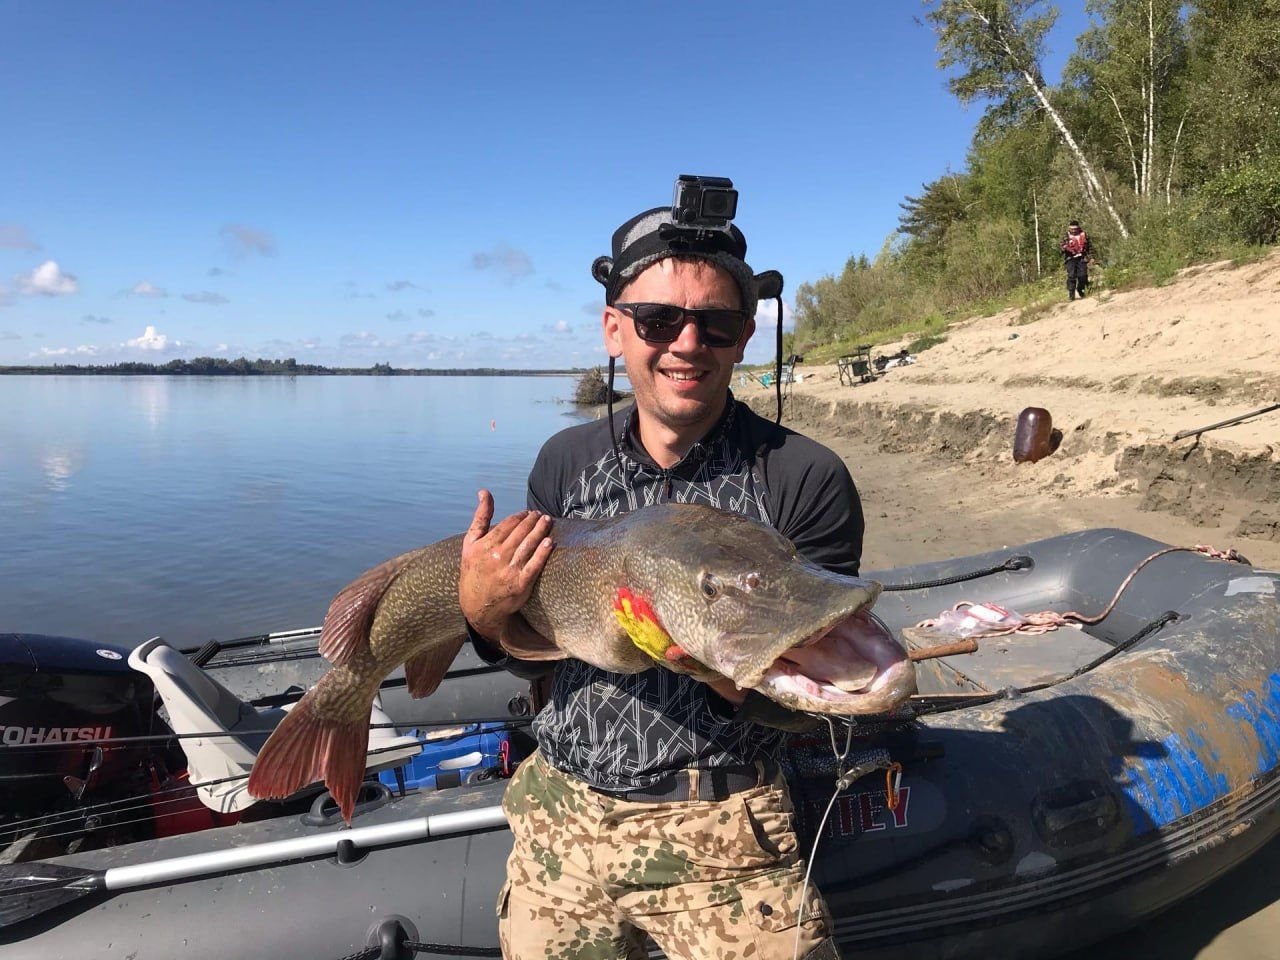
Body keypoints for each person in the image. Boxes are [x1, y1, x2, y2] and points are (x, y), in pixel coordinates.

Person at [458, 179, 864, 960]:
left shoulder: (802, 478)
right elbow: (535, 651)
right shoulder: (563, 463)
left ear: (744, 335)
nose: (686, 344)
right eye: (658, 320)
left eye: (713, 324)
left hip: (727, 829)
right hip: (561, 823)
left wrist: (727, 679)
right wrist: (483, 615)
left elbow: (825, 707)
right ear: (615, 330)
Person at [1060, 219, 1091, 300]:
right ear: (1069, 228)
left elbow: (1089, 246)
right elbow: (1061, 247)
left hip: (1082, 258)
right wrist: (1066, 248)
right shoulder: (1065, 236)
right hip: (1070, 259)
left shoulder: (1084, 235)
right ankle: (1071, 294)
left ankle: (1081, 289)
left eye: (1075, 229)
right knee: (1072, 276)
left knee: (1083, 275)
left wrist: (1091, 256)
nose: (1073, 231)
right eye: (1072, 229)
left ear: (1078, 228)